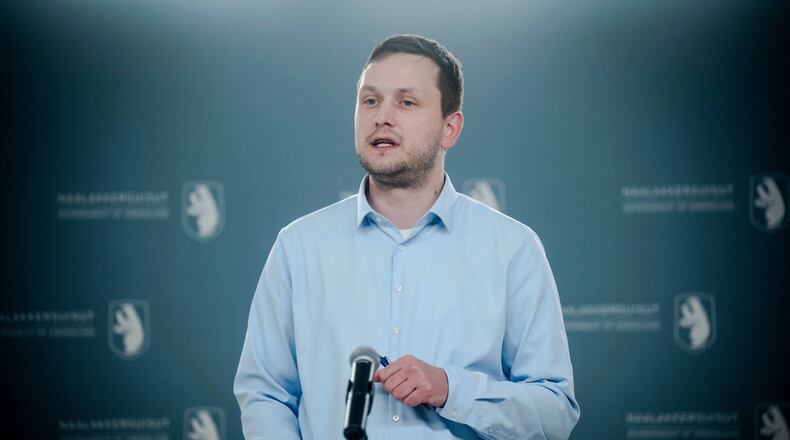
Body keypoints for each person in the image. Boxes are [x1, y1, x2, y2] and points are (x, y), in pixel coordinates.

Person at [234, 34, 580, 439]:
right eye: (370, 100)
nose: (382, 117)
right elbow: (265, 394)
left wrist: (452, 389)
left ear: (449, 128)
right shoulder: (298, 246)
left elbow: (555, 412)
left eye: (406, 102)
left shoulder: (512, 249)